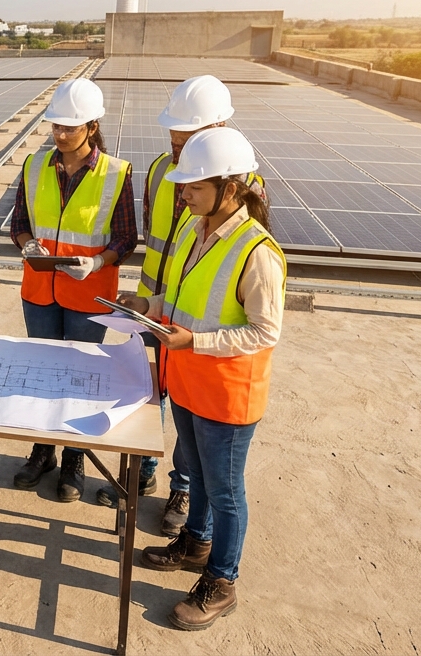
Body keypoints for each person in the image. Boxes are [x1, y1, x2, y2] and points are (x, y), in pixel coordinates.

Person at [131, 127, 286, 631]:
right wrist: (147, 306)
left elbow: (264, 332)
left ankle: (222, 581)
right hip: (190, 383)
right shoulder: (191, 230)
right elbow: (181, 302)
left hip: (227, 395)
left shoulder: (257, 251)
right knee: (195, 473)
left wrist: (194, 342)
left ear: (232, 188)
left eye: (195, 186)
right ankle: (196, 542)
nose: (183, 193)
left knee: (226, 492)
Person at [99, 75, 263, 537]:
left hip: (201, 323)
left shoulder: (244, 185)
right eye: (173, 140)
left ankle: (184, 488)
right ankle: (141, 473)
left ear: (220, 128)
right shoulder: (158, 171)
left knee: (194, 413)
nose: (178, 152)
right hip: (157, 307)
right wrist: (149, 301)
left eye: (187, 140)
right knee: (150, 396)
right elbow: (158, 240)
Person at [8, 77, 137, 502]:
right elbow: (20, 223)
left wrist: (99, 262)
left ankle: (73, 460)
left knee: (81, 379)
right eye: (55, 127)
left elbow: (125, 238)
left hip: (86, 297)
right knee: (44, 376)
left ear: (92, 127)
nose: (59, 135)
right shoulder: (33, 166)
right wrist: (27, 244)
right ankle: (42, 449)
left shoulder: (116, 173)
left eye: (69, 127)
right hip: (39, 293)